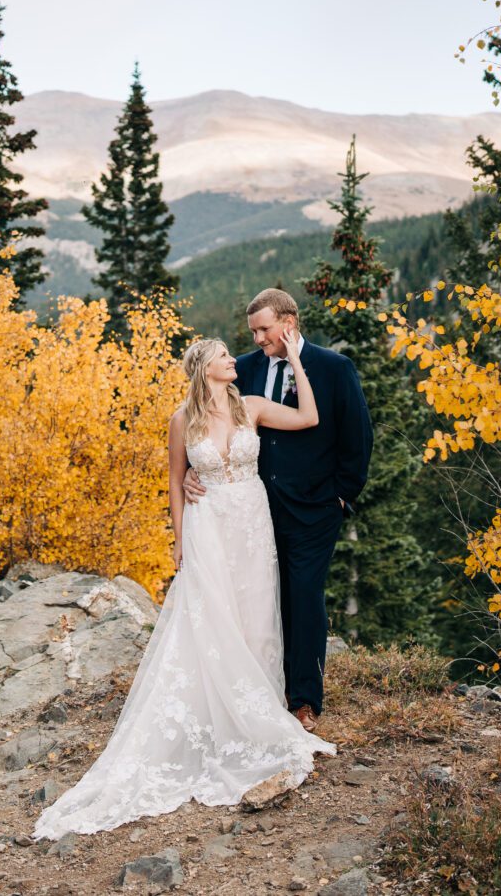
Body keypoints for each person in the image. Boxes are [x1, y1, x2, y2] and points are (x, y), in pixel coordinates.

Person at [32, 330, 335, 840]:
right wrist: (178, 542)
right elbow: (176, 481)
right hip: (207, 522)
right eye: (222, 356)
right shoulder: (182, 420)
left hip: (251, 521)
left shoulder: (253, 407)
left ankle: (258, 708)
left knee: (257, 613)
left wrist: (298, 364)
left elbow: (309, 417)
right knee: (213, 614)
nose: (232, 360)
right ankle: (220, 716)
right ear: (204, 369)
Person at [184, 288, 372, 732]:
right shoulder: (242, 371)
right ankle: (255, 688)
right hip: (250, 511)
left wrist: (341, 496)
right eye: (252, 331)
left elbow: (357, 436)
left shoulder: (332, 368)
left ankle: (303, 700)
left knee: (304, 596)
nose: (257, 338)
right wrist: (195, 471)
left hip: (314, 509)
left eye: (263, 329)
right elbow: (208, 426)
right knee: (259, 598)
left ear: (288, 324)